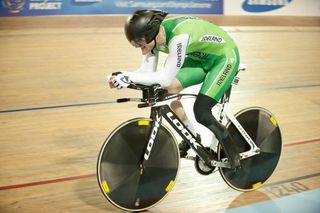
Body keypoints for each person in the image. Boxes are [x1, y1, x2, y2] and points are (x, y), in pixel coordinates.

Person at [107, 9, 240, 169]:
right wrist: (122, 78)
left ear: (151, 34)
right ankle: (191, 135)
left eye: (141, 43)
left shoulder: (179, 37)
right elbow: (146, 73)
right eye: (136, 44)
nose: (140, 49)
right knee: (168, 89)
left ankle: (232, 150)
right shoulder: (154, 38)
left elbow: (164, 77)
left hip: (224, 58)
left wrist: (129, 76)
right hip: (200, 58)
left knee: (201, 111)